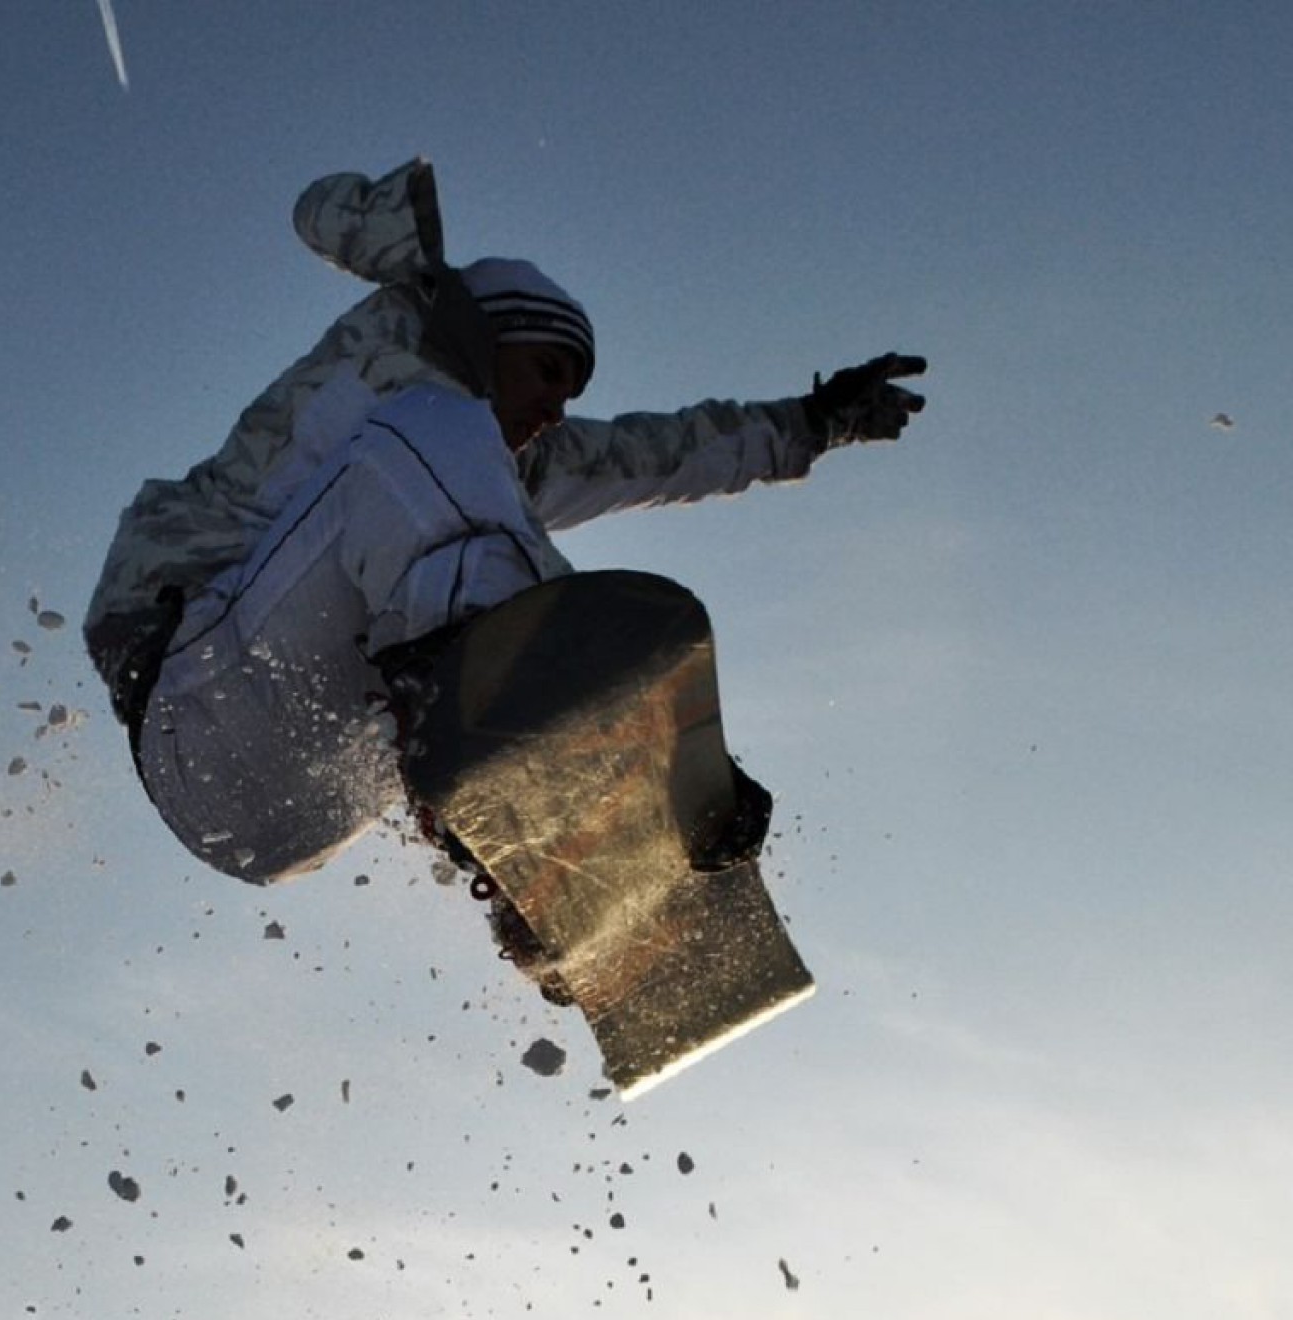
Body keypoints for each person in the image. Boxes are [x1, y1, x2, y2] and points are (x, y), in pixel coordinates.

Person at [83, 158, 924, 893]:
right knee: (436, 448)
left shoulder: (482, 482)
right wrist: (419, 260)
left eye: (572, 394)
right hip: (199, 702)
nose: (557, 409)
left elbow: (656, 453)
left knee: (478, 525)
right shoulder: (401, 376)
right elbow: (323, 214)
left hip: (300, 807)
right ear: (492, 338)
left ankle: (558, 871)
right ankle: (574, 746)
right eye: (550, 370)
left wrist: (816, 421)